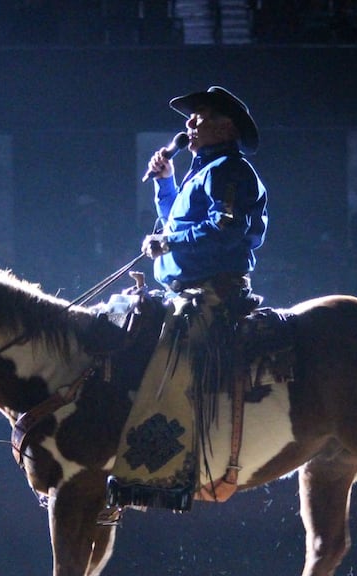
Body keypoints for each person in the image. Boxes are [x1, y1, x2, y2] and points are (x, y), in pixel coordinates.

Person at [107, 86, 268, 513]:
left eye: (201, 116)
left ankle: (166, 464)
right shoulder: (202, 172)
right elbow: (177, 222)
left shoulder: (231, 171)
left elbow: (223, 229)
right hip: (184, 288)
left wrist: (168, 240)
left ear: (227, 126)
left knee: (170, 356)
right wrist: (165, 185)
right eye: (190, 117)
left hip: (212, 293)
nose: (190, 124)